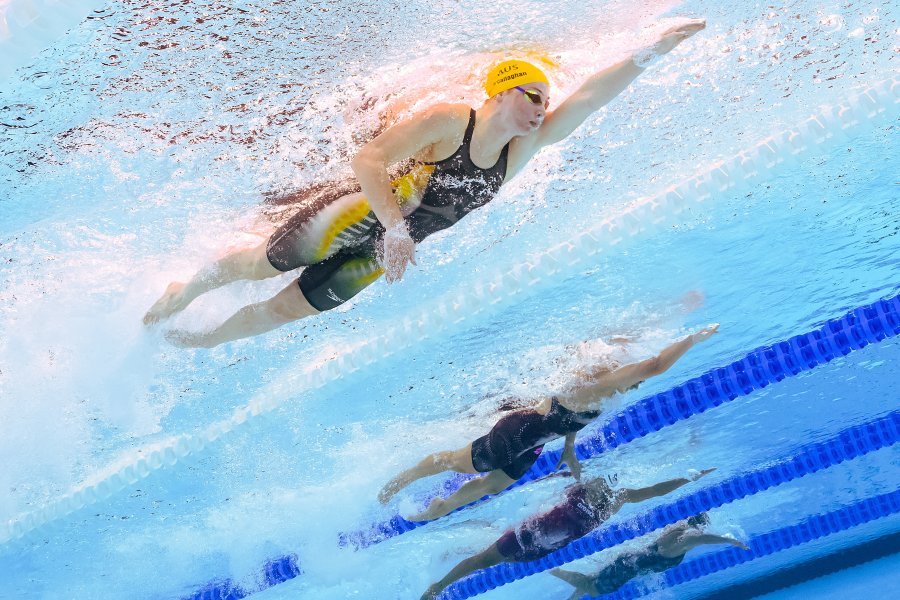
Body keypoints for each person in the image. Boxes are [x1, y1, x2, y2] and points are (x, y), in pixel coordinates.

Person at [143, 19, 707, 347]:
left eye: (546, 100)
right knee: (256, 266)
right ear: (504, 92)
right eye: (535, 95)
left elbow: (589, 98)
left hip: (388, 249)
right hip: (362, 215)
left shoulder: (521, 151)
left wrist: (649, 53)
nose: (543, 107)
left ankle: (200, 342)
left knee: (289, 311)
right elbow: (369, 161)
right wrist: (394, 228)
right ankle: (184, 293)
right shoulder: (448, 121)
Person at [378, 323, 719, 521]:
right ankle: (403, 478)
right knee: (457, 461)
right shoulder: (603, 383)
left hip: (536, 444)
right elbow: (655, 365)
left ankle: (439, 508)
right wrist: (692, 339)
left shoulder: (607, 396)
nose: (637, 379)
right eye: (632, 374)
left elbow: (572, 421)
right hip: (518, 432)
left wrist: (570, 449)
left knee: (492, 486)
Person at [420, 468, 715, 600]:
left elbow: (653, 491)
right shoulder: (582, 484)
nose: (604, 488)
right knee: (483, 561)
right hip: (527, 534)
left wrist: (689, 477)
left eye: (608, 485)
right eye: (602, 483)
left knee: (497, 559)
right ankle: (438, 586)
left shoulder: (616, 500)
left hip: (546, 548)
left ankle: (460, 549)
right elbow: (554, 474)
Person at [549, 513, 750, 599]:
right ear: (698, 526)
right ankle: (552, 569)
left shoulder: (678, 527)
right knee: (592, 588)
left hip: (630, 561)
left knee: (592, 580)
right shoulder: (685, 539)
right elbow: (702, 539)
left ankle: (567, 593)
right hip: (629, 566)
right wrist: (730, 540)